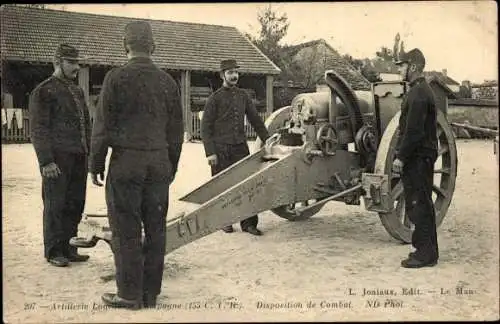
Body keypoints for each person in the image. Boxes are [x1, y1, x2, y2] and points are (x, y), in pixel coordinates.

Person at [89, 21, 184, 309]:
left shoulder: (115, 79)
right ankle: (150, 294)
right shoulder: (168, 82)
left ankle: (129, 294)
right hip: (158, 164)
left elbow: (102, 127)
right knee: (156, 229)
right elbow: (176, 133)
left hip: (126, 163)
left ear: (125, 45)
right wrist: (171, 166)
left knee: (125, 228)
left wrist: (96, 163)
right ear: (153, 46)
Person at [29, 44, 92, 267]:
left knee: (75, 203)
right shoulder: (43, 90)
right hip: (57, 160)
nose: (76, 67)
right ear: (57, 62)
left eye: (77, 62)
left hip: (79, 157)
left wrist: (90, 154)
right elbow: (38, 129)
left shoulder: (77, 91)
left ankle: (69, 247)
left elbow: (87, 124)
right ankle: (54, 251)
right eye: (71, 62)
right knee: (55, 204)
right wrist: (46, 161)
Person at [201, 59, 270, 236]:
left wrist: (267, 140)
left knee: (247, 185)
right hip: (220, 149)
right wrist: (210, 153)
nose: (234, 76)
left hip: (240, 147)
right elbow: (205, 128)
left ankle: (249, 224)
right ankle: (224, 221)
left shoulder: (243, 96)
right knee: (222, 186)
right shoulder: (214, 99)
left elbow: (255, 119)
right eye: (230, 72)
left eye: (236, 73)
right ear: (222, 75)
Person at [392, 48, 439, 268]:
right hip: (421, 156)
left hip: (418, 157)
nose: (398, 69)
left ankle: (424, 254)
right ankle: (427, 251)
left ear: (412, 67)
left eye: (401, 66)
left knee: (418, 204)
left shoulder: (418, 93)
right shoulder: (420, 90)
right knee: (422, 204)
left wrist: (401, 157)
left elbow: (413, 131)